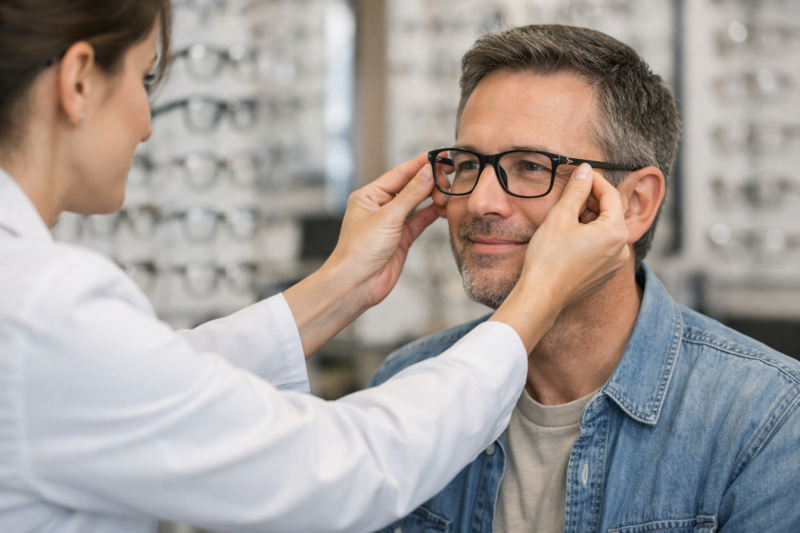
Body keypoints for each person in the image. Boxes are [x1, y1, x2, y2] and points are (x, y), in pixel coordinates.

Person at [0, 4, 632, 533]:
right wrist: (536, 300)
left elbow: (145, 384)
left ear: (635, 203)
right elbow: (345, 467)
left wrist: (339, 287)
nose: (146, 126)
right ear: (79, 80)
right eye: (144, 80)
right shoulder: (41, 308)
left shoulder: (730, 412)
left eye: (530, 166)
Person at [369, 24, 800, 533]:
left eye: (531, 165)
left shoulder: (765, 418)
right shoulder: (409, 381)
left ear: (634, 204)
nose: (480, 201)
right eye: (468, 163)